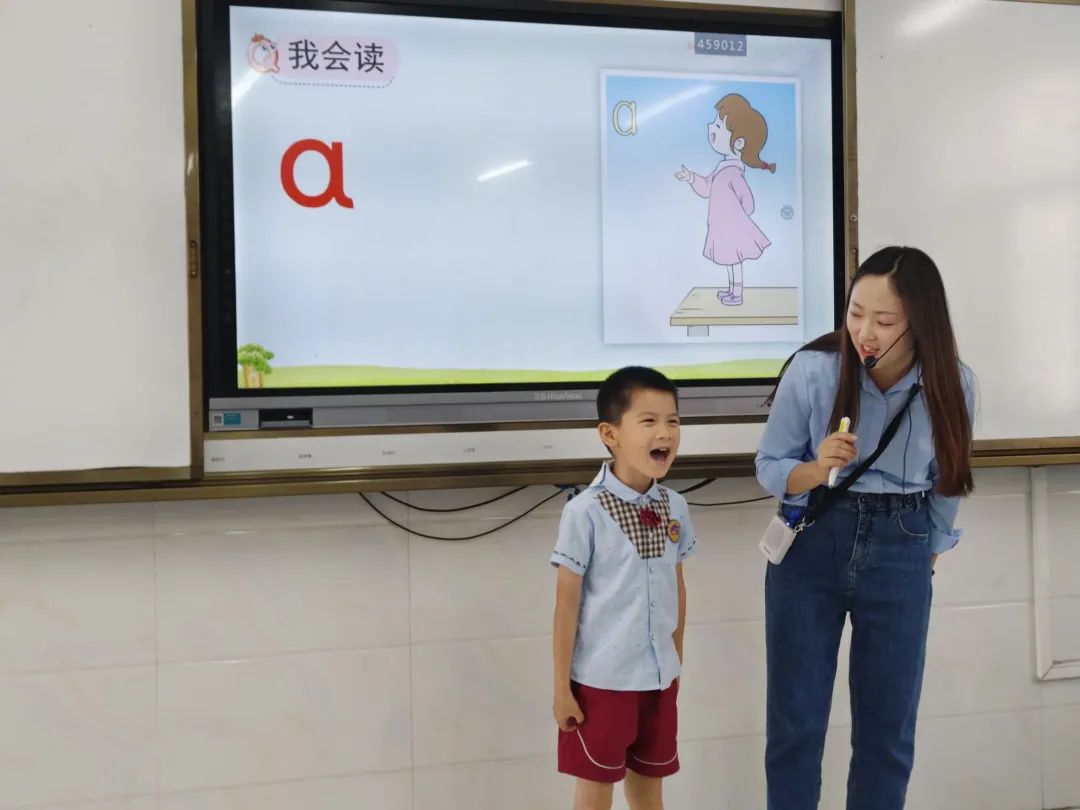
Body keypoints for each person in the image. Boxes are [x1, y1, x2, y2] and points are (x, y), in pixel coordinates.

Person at [756, 246, 975, 810]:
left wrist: (927, 551)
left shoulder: (952, 384)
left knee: (887, 730)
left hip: (902, 544)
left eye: (884, 321)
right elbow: (770, 466)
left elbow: (949, 479)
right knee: (795, 725)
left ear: (920, 321)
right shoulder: (813, 370)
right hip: (812, 541)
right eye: (855, 313)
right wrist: (816, 465)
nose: (865, 333)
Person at [551, 366, 698, 810]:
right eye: (649, 420)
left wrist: (676, 650)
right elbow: (567, 604)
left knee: (649, 789)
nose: (665, 432)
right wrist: (561, 688)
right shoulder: (585, 512)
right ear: (609, 434)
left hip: (657, 680)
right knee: (595, 793)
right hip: (601, 682)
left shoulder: (675, 506)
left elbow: (677, 581)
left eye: (673, 421)